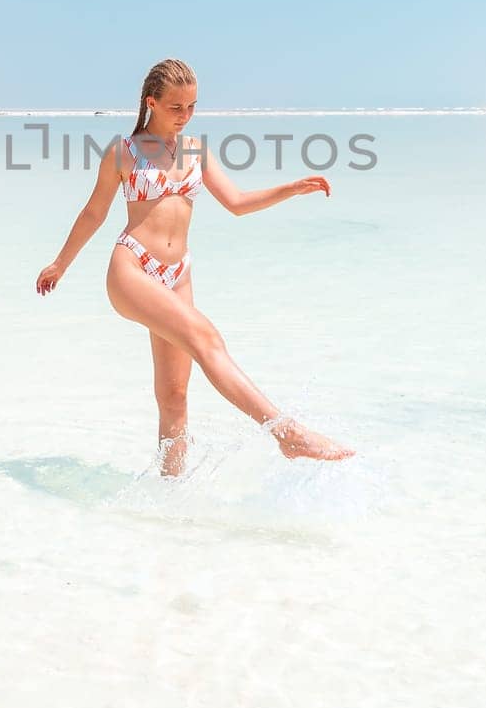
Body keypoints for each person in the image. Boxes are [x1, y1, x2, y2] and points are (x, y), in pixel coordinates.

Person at [34, 58, 356, 476]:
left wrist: (290, 189)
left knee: (174, 396)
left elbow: (238, 204)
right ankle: (287, 434)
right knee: (207, 339)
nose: (185, 116)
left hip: (177, 274)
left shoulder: (196, 151)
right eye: (176, 107)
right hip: (133, 268)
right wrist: (61, 263)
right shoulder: (124, 152)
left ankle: (171, 496)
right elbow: (94, 213)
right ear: (151, 102)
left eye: (192, 107)